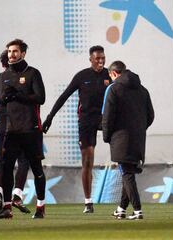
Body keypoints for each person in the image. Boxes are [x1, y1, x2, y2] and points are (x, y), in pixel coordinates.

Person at [42, 45, 111, 213]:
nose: (101, 61)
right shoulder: (82, 76)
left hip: (105, 120)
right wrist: (50, 117)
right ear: (90, 59)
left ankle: (126, 197)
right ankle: (88, 202)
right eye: (97, 58)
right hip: (86, 121)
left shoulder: (109, 75)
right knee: (88, 160)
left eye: (103, 58)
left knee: (121, 151)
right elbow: (64, 96)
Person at [0, 39, 46, 219]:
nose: (11, 55)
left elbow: (40, 98)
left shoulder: (33, 73)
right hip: (12, 130)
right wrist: (5, 99)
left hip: (31, 129)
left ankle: (40, 207)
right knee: (6, 168)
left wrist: (18, 95)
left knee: (36, 168)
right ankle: (7, 208)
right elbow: (1, 102)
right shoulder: (4, 76)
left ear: (23, 53)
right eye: (9, 51)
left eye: (15, 51)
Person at [102, 61, 154, 220]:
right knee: (128, 172)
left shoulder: (113, 89)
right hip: (138, 138)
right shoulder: (143, 90)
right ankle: (121, 209)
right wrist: (139, 128)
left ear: (113, 74)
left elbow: (107, 116)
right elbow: (150, 115)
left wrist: (106, 135)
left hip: (120, 138)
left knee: (126, 174)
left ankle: (138, 210)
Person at [0, 50, 30, 214]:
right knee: (24, 161)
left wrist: (0, 110)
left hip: (3, 127)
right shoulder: (19, 79)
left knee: (2, 164)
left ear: (2, 63)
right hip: (20, 127)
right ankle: (17, 194)